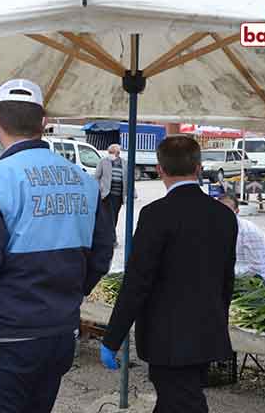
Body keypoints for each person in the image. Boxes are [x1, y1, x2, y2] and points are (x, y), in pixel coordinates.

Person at [0, 79, 114, 412]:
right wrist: (67, 295)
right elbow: (102, 254)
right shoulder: (82, 180)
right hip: (58, 336)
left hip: (3, 342)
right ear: (44, 121)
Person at [100, 136, 237, 413]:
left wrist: (112, 338)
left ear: (160, 170)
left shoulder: (155, 214)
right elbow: (227, 280)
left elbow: (137, 281)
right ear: (199, 168)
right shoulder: (223, 215)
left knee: (183, 402)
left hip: (167, 335)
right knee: (176, 399)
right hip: (207, 328)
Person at [219, 194, 265, 287]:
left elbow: (255, 269)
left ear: (237, 211)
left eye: (227, 210)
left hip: (257, 282)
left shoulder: (249, 232)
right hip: (231, 276)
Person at [95, 144, 126, 230]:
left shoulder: (124, 163)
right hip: (107, 194)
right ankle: (110, 238)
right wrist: (100, 188)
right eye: (109, 152)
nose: (110, 154)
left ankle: (111, 236)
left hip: (118, 196)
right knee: (107, 217)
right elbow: (96, 177)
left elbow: (127, 178)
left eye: (112, 152)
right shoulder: (103, 161)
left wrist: (132, 192)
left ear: (118, 153)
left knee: (115, 216)